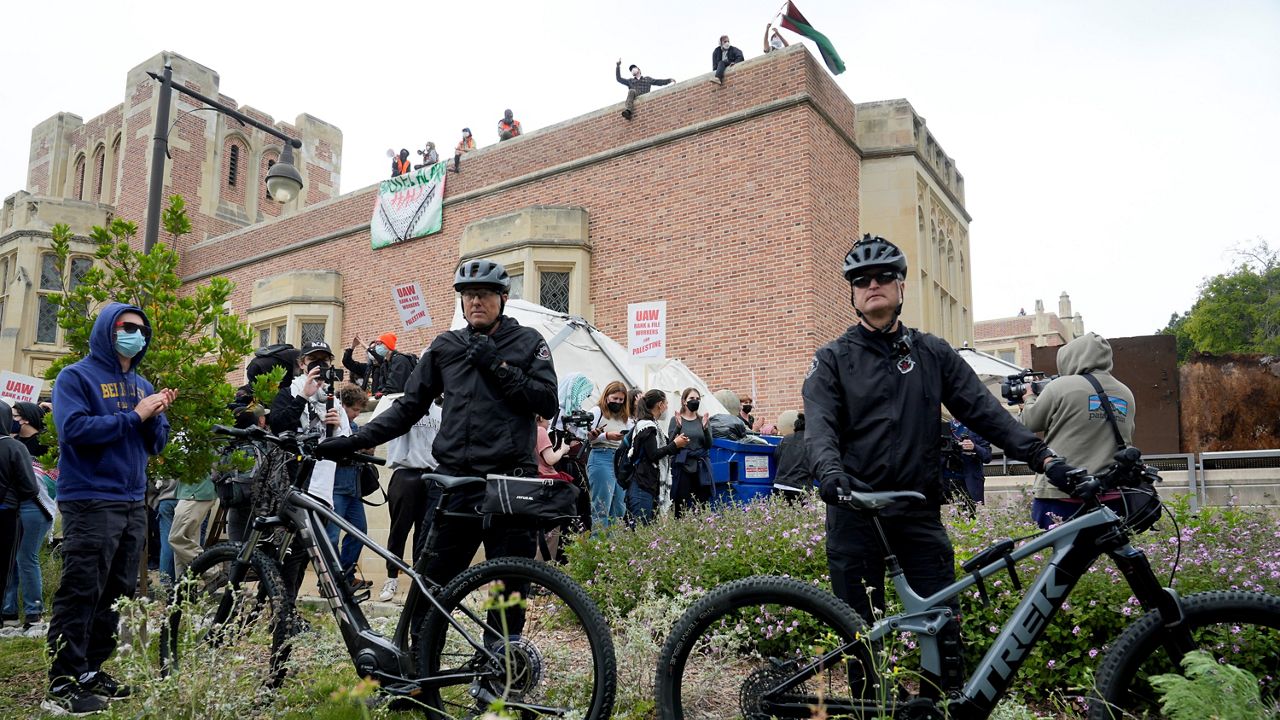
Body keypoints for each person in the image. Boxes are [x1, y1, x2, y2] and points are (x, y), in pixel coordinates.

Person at [803, 234, 1075, 696]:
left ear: (901, 286)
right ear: (852, 292)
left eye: (884, 276)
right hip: (854, 510)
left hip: (916, 510)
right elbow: (820, 426)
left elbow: (983, 412)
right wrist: (830, 475)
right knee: (859, 634)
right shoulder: (832, 359)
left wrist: (1043, 457)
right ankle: (873, 706)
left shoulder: (931, 353)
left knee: (942, 624)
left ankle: (939, 704)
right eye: (862, 279)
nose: (873, 285)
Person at [316, 259, 557, 598]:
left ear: (503, 297)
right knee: (432, 586)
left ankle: (502, 649)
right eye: (469, 295)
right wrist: (353, 440)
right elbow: (408, 407)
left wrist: (497, 365)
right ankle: (420, 650)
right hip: (458, 479)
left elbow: (547, 403)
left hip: (509, 477)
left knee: (508, 588)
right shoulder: (446, 347)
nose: (476, 302)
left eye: (485, 294)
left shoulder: (528, 341)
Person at [45, 302, 174, 714]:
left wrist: (155, 416)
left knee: (116, 590)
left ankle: (90, 670)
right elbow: (74, 430)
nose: (135, 335)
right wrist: (135, 414)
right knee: (83, 588)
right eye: (127, 327)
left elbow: (156, 444)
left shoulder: (142, 381)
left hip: (132, 499)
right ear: (108, 329)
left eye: (141, 329)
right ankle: (62, 681)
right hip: (89, 497)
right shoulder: (76, 377)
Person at [1020, 332, 1136, 529]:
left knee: (1054, 557)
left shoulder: (1060, 387)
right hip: (1111, 495)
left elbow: (1028, 423)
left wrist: (1029, 399)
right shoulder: (1125, 392)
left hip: (1061, 494)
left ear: (1070, 358)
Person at [378, 388, 441, 602]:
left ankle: (419, 580)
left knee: (425, 533)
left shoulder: (440, 412)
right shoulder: (402, 406)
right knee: (399, 529)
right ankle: (391, 577)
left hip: (432, 476)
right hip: (405, 473)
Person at [3, 401, 55, 634]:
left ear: (25, 419)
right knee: (11, 561)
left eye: (15, 415)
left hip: (35, 505)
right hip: (15, 506)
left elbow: (50, 479)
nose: (11, 419)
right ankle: (9, 613)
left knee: (26, 558)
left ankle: (33, 613)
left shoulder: (46, 443)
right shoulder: (12, 443)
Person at [325, 384, 371, 591]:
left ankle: (346, 576)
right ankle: (329, 580)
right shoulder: (332, 424)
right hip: (336, 488)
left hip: (353, 489)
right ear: (343, 406)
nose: (356, 414)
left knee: (359, 531)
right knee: (332, 537)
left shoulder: (355, 428)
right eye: (355, 410)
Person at [1, 400, 40, 631]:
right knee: (13, 562)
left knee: (21, 560)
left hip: (22, 509)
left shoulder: (25, 445)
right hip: (11, 510)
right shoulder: (14, 446)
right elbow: (29, 487)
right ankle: (22, 612)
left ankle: (14, 613)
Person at [627, 390, 689, 524]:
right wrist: (675, 444)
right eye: (666, 403)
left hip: (650, 484)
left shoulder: (653, 425)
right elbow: (653, 454)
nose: (667, 407)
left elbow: (665, 447)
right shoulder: (647, 426)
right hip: (642, 484)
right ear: (660, 405)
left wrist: (677, 431)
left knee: (648, 526)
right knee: (640, 528)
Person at [586, 381, 630, 529]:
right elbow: (585, 435)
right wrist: (606, 436)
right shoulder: (597, 411)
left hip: (620, 459)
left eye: (621, 400)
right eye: (615, 398)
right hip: (601, 455)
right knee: (602, 506)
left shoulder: (625, 417)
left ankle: (613, 546)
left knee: (619, 507)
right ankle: (598, 545)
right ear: (606, 397)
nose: (617, 402)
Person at [667, 388, 712, 512]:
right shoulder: (675, 420)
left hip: (700, 466)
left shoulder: (703, 420)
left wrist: (705, 429)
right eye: (692, 398)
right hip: (682, 466)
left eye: (697, 399)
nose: (695, 401)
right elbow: (670, 444)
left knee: (701, 505)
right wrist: (678, 427)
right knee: (682, 505)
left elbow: (709, 445)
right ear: (684, 401)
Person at [343, 332, 415, 396]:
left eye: (378, 345)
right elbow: (347, 362)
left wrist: (366, 347)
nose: (376, 349)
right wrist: (352, 347)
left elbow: (394, 385)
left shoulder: (394, 361)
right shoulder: (369, 368)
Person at [941, 417, 992, 505]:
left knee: (970, 515)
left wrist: (974, 447)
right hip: (946, 480)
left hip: (969, 480)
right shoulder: (944, 427)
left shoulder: (978, 426)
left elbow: (987, 456)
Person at [773, 411, 812, 494]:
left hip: (779, 485)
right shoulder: (811, 442)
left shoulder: (785, 439)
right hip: (800, 487)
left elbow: (776, 457)